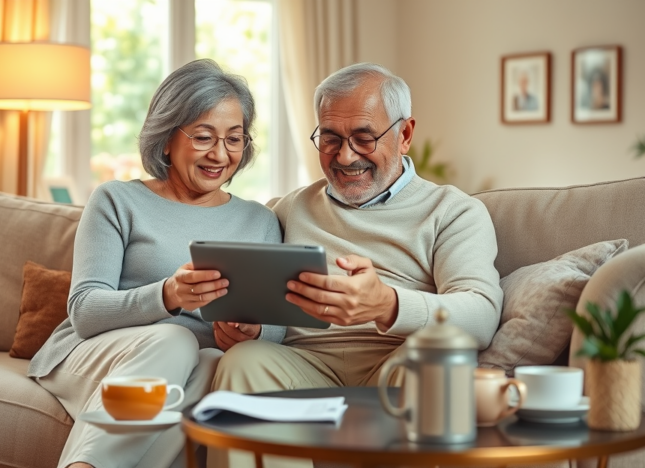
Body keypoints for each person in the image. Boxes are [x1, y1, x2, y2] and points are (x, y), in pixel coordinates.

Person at [209, 63, 503, 467]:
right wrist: (245, 326)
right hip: (304, 365)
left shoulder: (453, 212)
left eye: (364, 138)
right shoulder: (288, 209)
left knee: (432, 364)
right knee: (243, 362)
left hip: (397, 364)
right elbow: (258, 297)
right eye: (330, 139)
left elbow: (482, 315)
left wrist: (387, 304)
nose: (346, 156)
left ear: (405, 135)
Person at [28, 58, 285, 468]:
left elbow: (276, 331)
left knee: (212, 365)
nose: (220, 153)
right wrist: (167, 295)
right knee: (176, 339)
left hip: (189, 367)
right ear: (166, 138)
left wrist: (252, 332)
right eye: (204, 137)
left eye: (234, 139)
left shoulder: (260, 221)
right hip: (95, 353)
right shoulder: (117, 200)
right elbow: (85, 312)